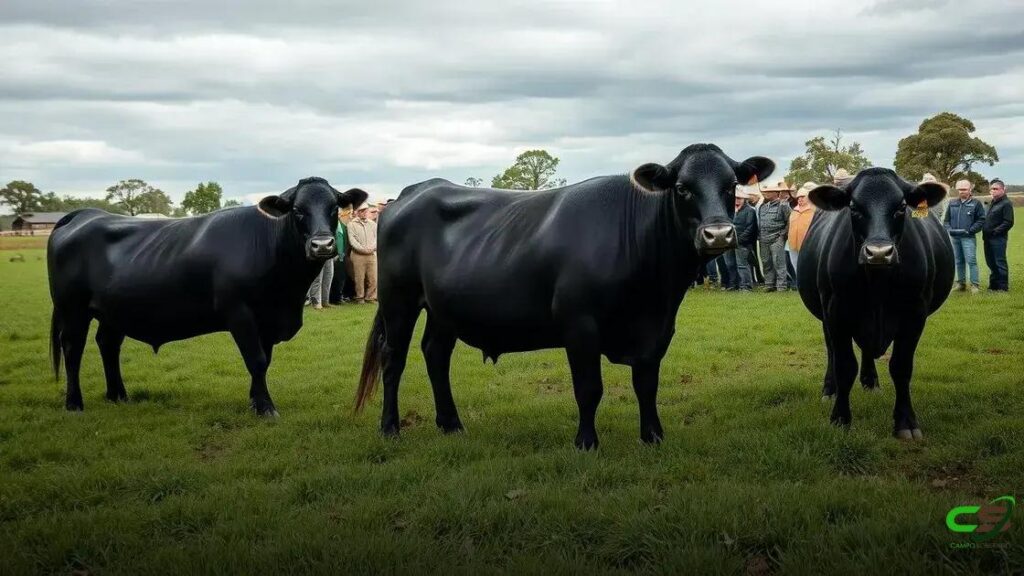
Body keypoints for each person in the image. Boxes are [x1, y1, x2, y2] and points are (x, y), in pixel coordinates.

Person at [943, 179, 986, 293]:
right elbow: (946, 221)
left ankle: (974, 285)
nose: (962, 191)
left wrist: (971, 230)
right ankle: (960, 284)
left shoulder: (976, 203)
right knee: (958, 261)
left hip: (968, 237)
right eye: (960, 189)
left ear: (970, 189)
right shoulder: (952, 203)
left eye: (964, 189)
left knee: (971, 261)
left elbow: (981, 220)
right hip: (955, 237)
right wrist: (949, 230)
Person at [757, 180, 793, 292]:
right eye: (766, 192)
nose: (766, 193)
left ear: (776, 193)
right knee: (766, 262)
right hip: (763, 238)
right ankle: (769, 284)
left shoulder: (784, 206)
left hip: (777, 238)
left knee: (779, 263)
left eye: (769, 192)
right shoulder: (762, 207)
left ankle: (781, 286)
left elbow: (790, 221)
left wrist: (782, 235)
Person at [982, 178, 1014, 291]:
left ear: (1003, 190)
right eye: (991, 189)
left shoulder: (1006, 204)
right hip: (987, 239)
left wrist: (995, 232)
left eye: (996, 189)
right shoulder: (992, 203)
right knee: (991, 262)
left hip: (998, 239)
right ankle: (993, 286)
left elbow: (1008, 222)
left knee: (999, 262)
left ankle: (1002, 287)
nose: (993, 191)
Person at [724, 187, 758, 291]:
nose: (737, 200)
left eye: (739, 198)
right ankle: (734, 285)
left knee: (742, 265)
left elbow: (750, 228)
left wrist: (738, 240)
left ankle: (746, 286)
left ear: (744, 199)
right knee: (730, 264)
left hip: (742, 244)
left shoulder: (750, 211)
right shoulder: (728, 210)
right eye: (735, 198)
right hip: (728, 243)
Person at [787, 182, 817, 288]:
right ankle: (802, 285)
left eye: (802, 197)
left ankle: (811, 285)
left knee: (809, 267)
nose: (800, 199)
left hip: (808, 245)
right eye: (798, 197)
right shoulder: (794, 211)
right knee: (796, 266)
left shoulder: (814, 210)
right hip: (793, 245)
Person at [348, 202, 378, 303]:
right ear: (358, 212)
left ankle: (370, 297)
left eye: (366, 210)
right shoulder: (351, 225)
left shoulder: (373, 224)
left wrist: (372, 248)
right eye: (362, 211)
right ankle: (359, 297)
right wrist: (363, 249)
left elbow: (376, 238)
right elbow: (353, 240)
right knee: (359, 278)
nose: (364, 212)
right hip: (358, 255)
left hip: (371, 254)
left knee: (373, 277)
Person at [329, 207, 351, 304]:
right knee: (334, 278)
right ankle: (333, 298)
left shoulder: (343, 226)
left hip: (342, 256)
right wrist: (334, 254)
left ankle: (338, 296)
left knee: (341, 277)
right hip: (334, 256)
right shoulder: (330, 226)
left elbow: (345, 240)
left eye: (338, 214)